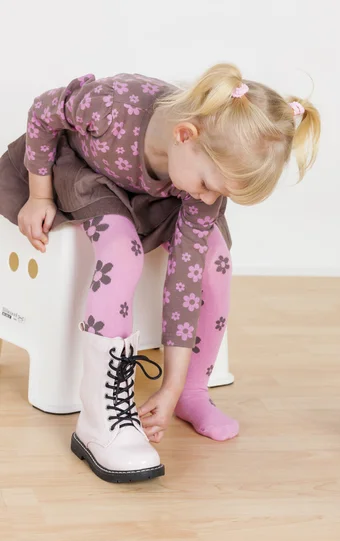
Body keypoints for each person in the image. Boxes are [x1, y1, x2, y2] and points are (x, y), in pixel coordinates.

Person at [0, 63, 320, 483]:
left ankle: (193, 392)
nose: (208, 198)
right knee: (121, 250)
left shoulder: (198, 174)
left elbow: (185, 281)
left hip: (152, 191)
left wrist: (172, 386)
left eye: (220, 194)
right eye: (209, 184)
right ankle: (99, 419)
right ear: (185, 136)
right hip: (84, 170)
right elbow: (45, 111)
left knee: (214, 257)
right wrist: (39, 194)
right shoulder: (111, 107)